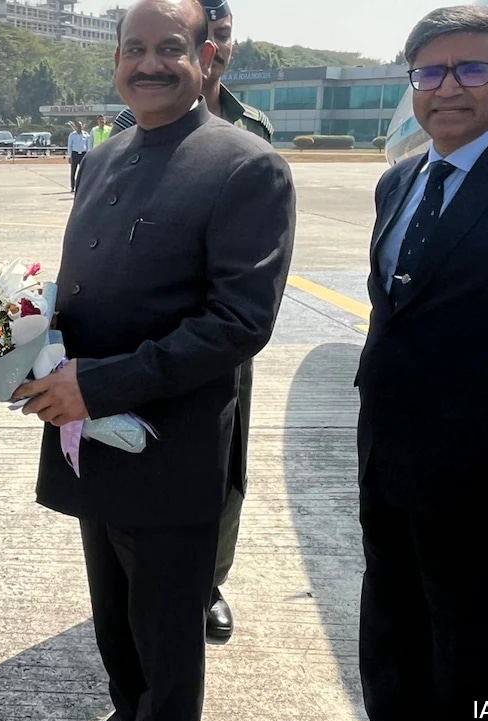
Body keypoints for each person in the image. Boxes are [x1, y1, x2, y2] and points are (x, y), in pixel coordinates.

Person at [12, 0, 295, 721]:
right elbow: (87, 291)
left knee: (168, 638)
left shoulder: (246, 166)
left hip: (170, 448)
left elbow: (239, 323)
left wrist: (97, 385)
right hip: (87, 434)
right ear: (114, 64)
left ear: (205, 58)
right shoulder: (105, 154)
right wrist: (6, 350)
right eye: (132, 49)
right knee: (114, 618)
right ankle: (124, 718)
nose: (149, 64)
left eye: (170, 47)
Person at [356, 6, 488, 721]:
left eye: (471, 69)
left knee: (476, 649)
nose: (448, 88)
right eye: (430, 72)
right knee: (391, 619)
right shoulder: (399, 182)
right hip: (390, 459)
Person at [109, 0, 273, 644]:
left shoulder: (248, 132)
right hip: (135, 342)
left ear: (212, 47)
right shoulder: (125, 130)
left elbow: (248, 279)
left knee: (221, 459)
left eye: (220, 37)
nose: (154, 62)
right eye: (136, 48)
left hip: (217, 335)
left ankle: (208, 579)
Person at [68, 120, 90, 193]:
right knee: (73, 172)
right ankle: (72, 187)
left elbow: (88, 146)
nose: (79, 127)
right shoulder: (72, 135)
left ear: (82, 126)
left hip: (83, 154)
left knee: (83, 172)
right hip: (75, 154)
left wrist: (88, 155)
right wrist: (69, 156)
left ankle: (82, 186)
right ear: (75, 127)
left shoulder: (86, 135)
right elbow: (70, 146)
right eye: (78, 126)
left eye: (80, 126)